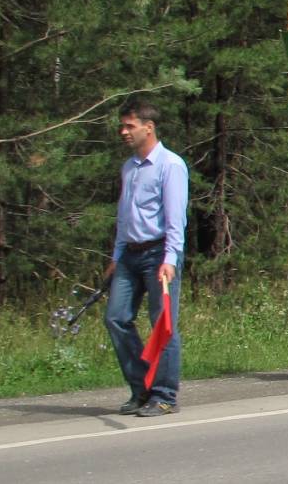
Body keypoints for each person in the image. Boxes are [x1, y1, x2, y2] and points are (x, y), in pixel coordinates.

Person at [106, 101, 189, 417]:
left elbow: (175, 218)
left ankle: (165, 395)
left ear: (148, 127)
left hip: (160, 253)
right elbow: (124, 216)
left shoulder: (170, 165)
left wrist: (170, 258)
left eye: (129, 126)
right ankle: (142, 388)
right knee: (116, 317)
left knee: (162, 324)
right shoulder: (129, 167)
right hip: (130, 254)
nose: (123, 131)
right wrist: (116, 254)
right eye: (122, 126)